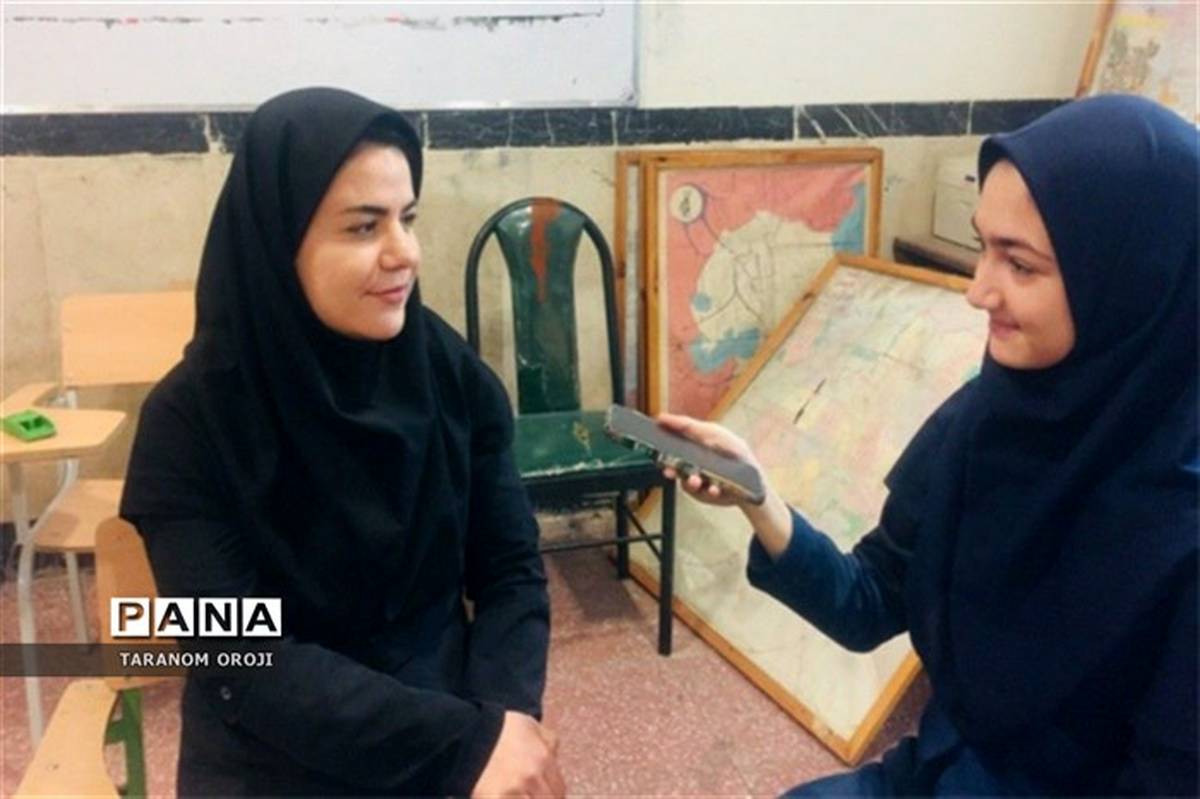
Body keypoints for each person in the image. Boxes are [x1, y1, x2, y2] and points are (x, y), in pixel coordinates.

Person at [658, 95, 1198, 795]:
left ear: (1134, 282)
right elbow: (869, 601)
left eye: (1021, 265)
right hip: (941, 771)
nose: (978, 291)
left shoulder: (1180, 521)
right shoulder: (988, 418)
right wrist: (759, 498)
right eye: (982, 247)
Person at [120, 87, 565, 797]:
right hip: (270, 753)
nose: (405, 253)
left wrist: (502, 722)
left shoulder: (448, 375)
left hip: (446, 718)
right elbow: (238, 658)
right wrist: (465, 744)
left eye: (407, 218)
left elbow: (510, 570)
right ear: (279, 244)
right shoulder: (190, 423)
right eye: (363, 227)